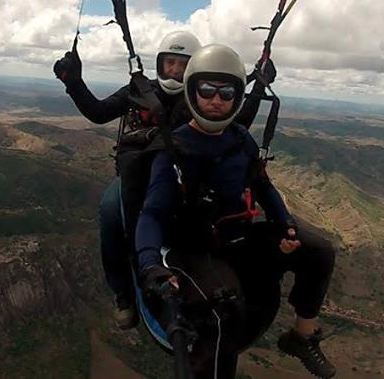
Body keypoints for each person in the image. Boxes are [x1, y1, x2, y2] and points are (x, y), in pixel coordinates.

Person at [134, 44, 337, 378]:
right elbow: (152, 213)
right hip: (194, 248)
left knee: (318, 251)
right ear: (192, 91)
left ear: (237, 96)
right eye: (207, 90)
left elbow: (262, 187)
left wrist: (285, 224)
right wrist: (150, 264)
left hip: (237, 239)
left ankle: (302, 336)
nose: (216, 99)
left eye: (226, 91)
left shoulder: (240, 140)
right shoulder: (172, 148)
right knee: (223, 311)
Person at [53, 32, 277, 330]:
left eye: (182, 65)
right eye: (168, 63)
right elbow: (98, 112)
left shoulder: (201, 98)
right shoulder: (140, 91)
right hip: (137, 178)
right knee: (110, 211)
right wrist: (74, 83)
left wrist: (258, 88)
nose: (173, 71)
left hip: (183, 181)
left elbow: (237, 124)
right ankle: (123, 292)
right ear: (158, 64)